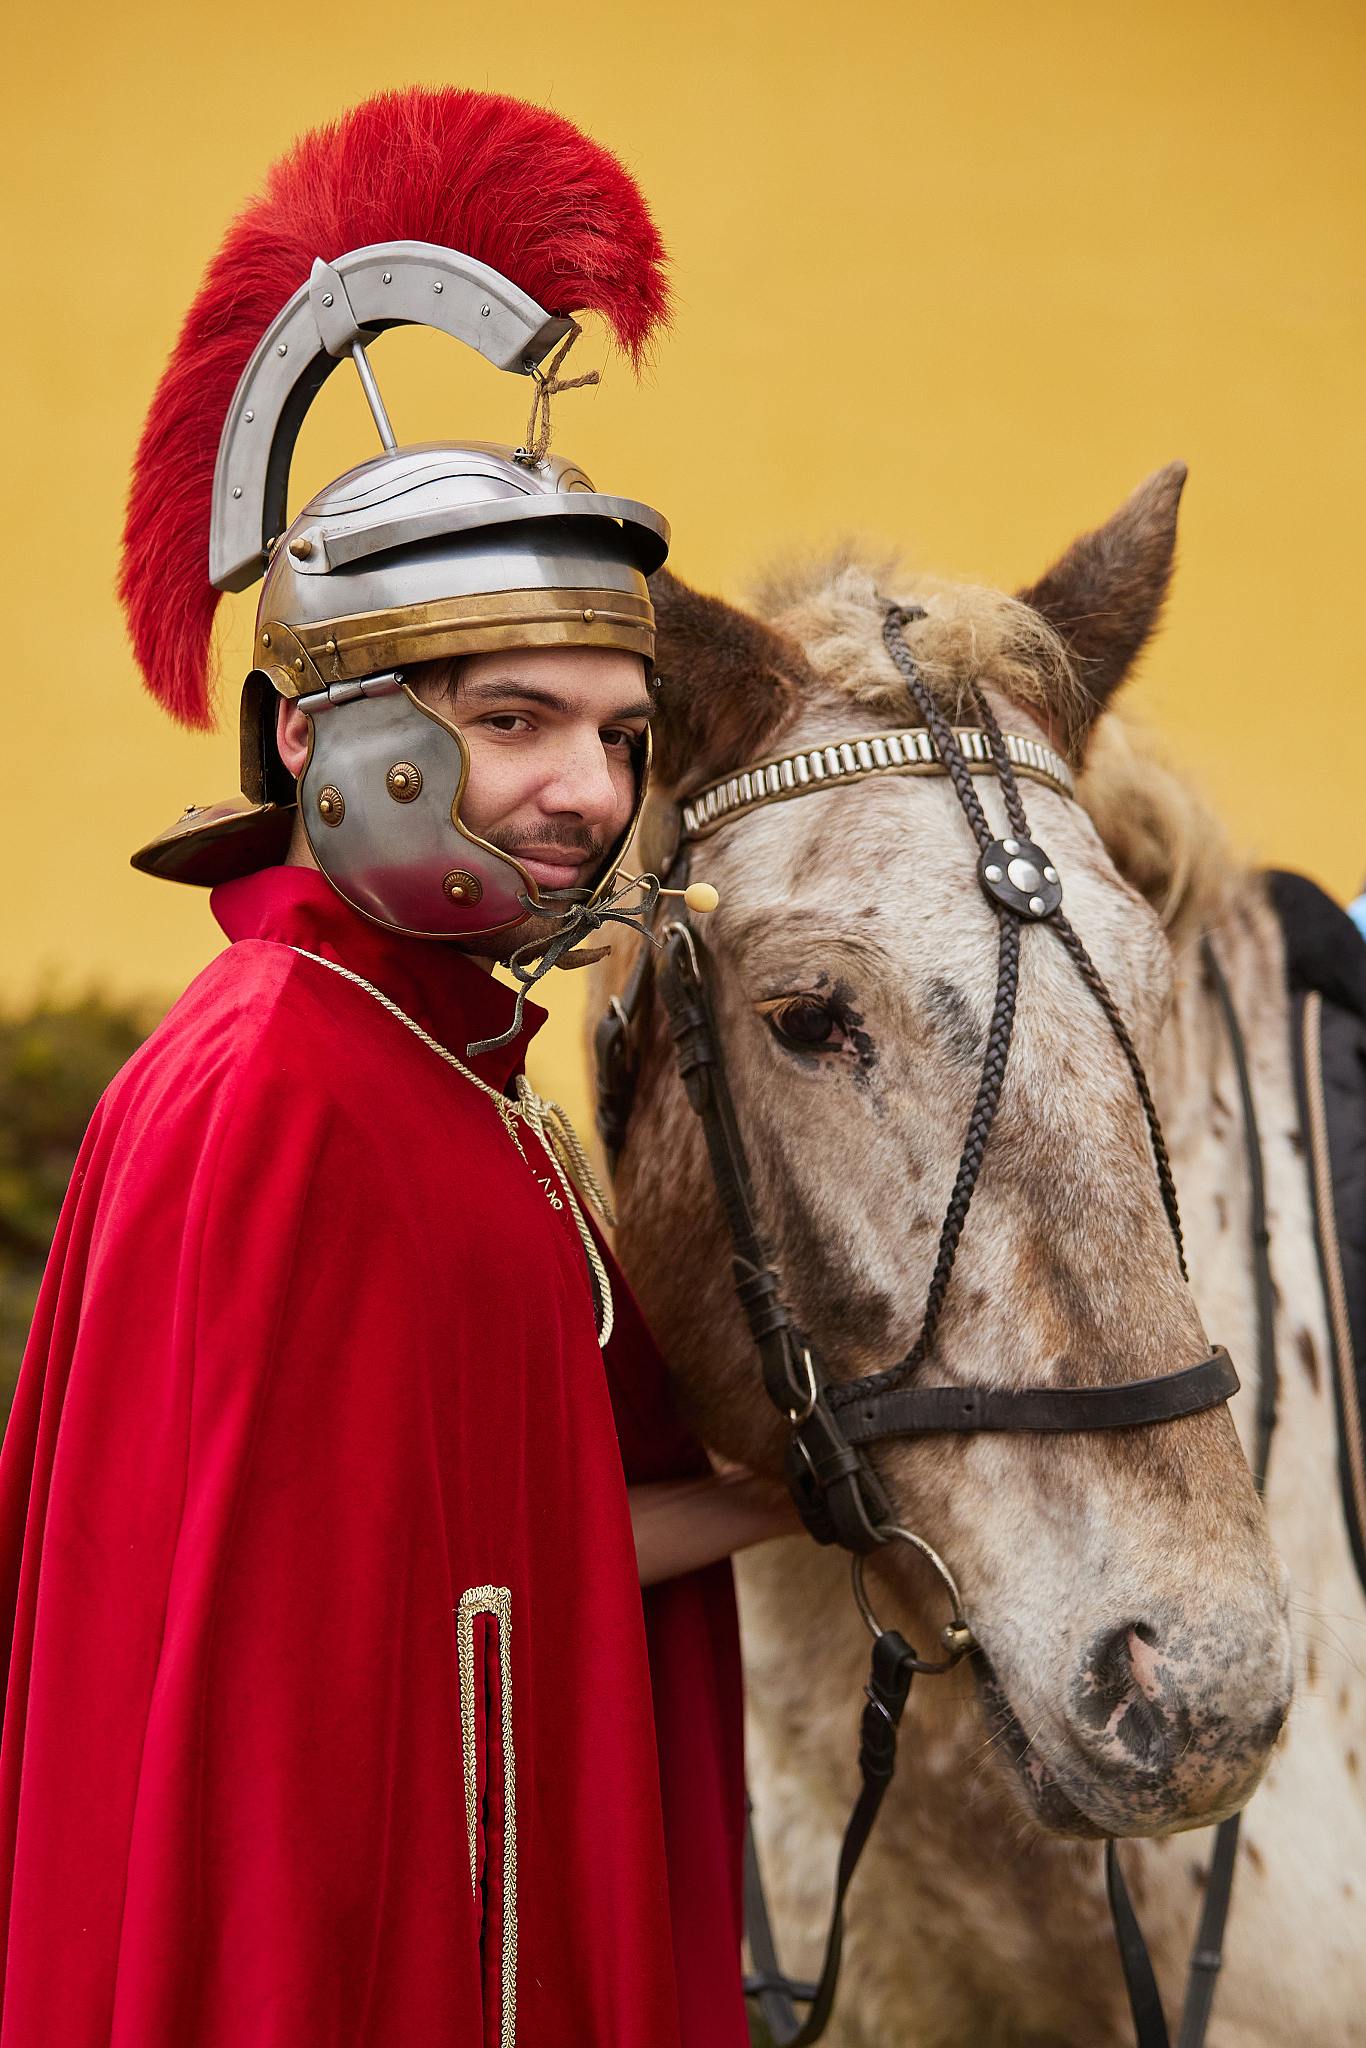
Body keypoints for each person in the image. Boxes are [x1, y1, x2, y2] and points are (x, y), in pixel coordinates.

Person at [0, 88, 786, 2046]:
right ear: (300, 736)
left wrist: (813, 1494)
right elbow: (259, 1760)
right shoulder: (277, 1087)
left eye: (616, 735)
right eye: (512, 718)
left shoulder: (456, 1076)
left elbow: (519, 1557)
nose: (581, 793)